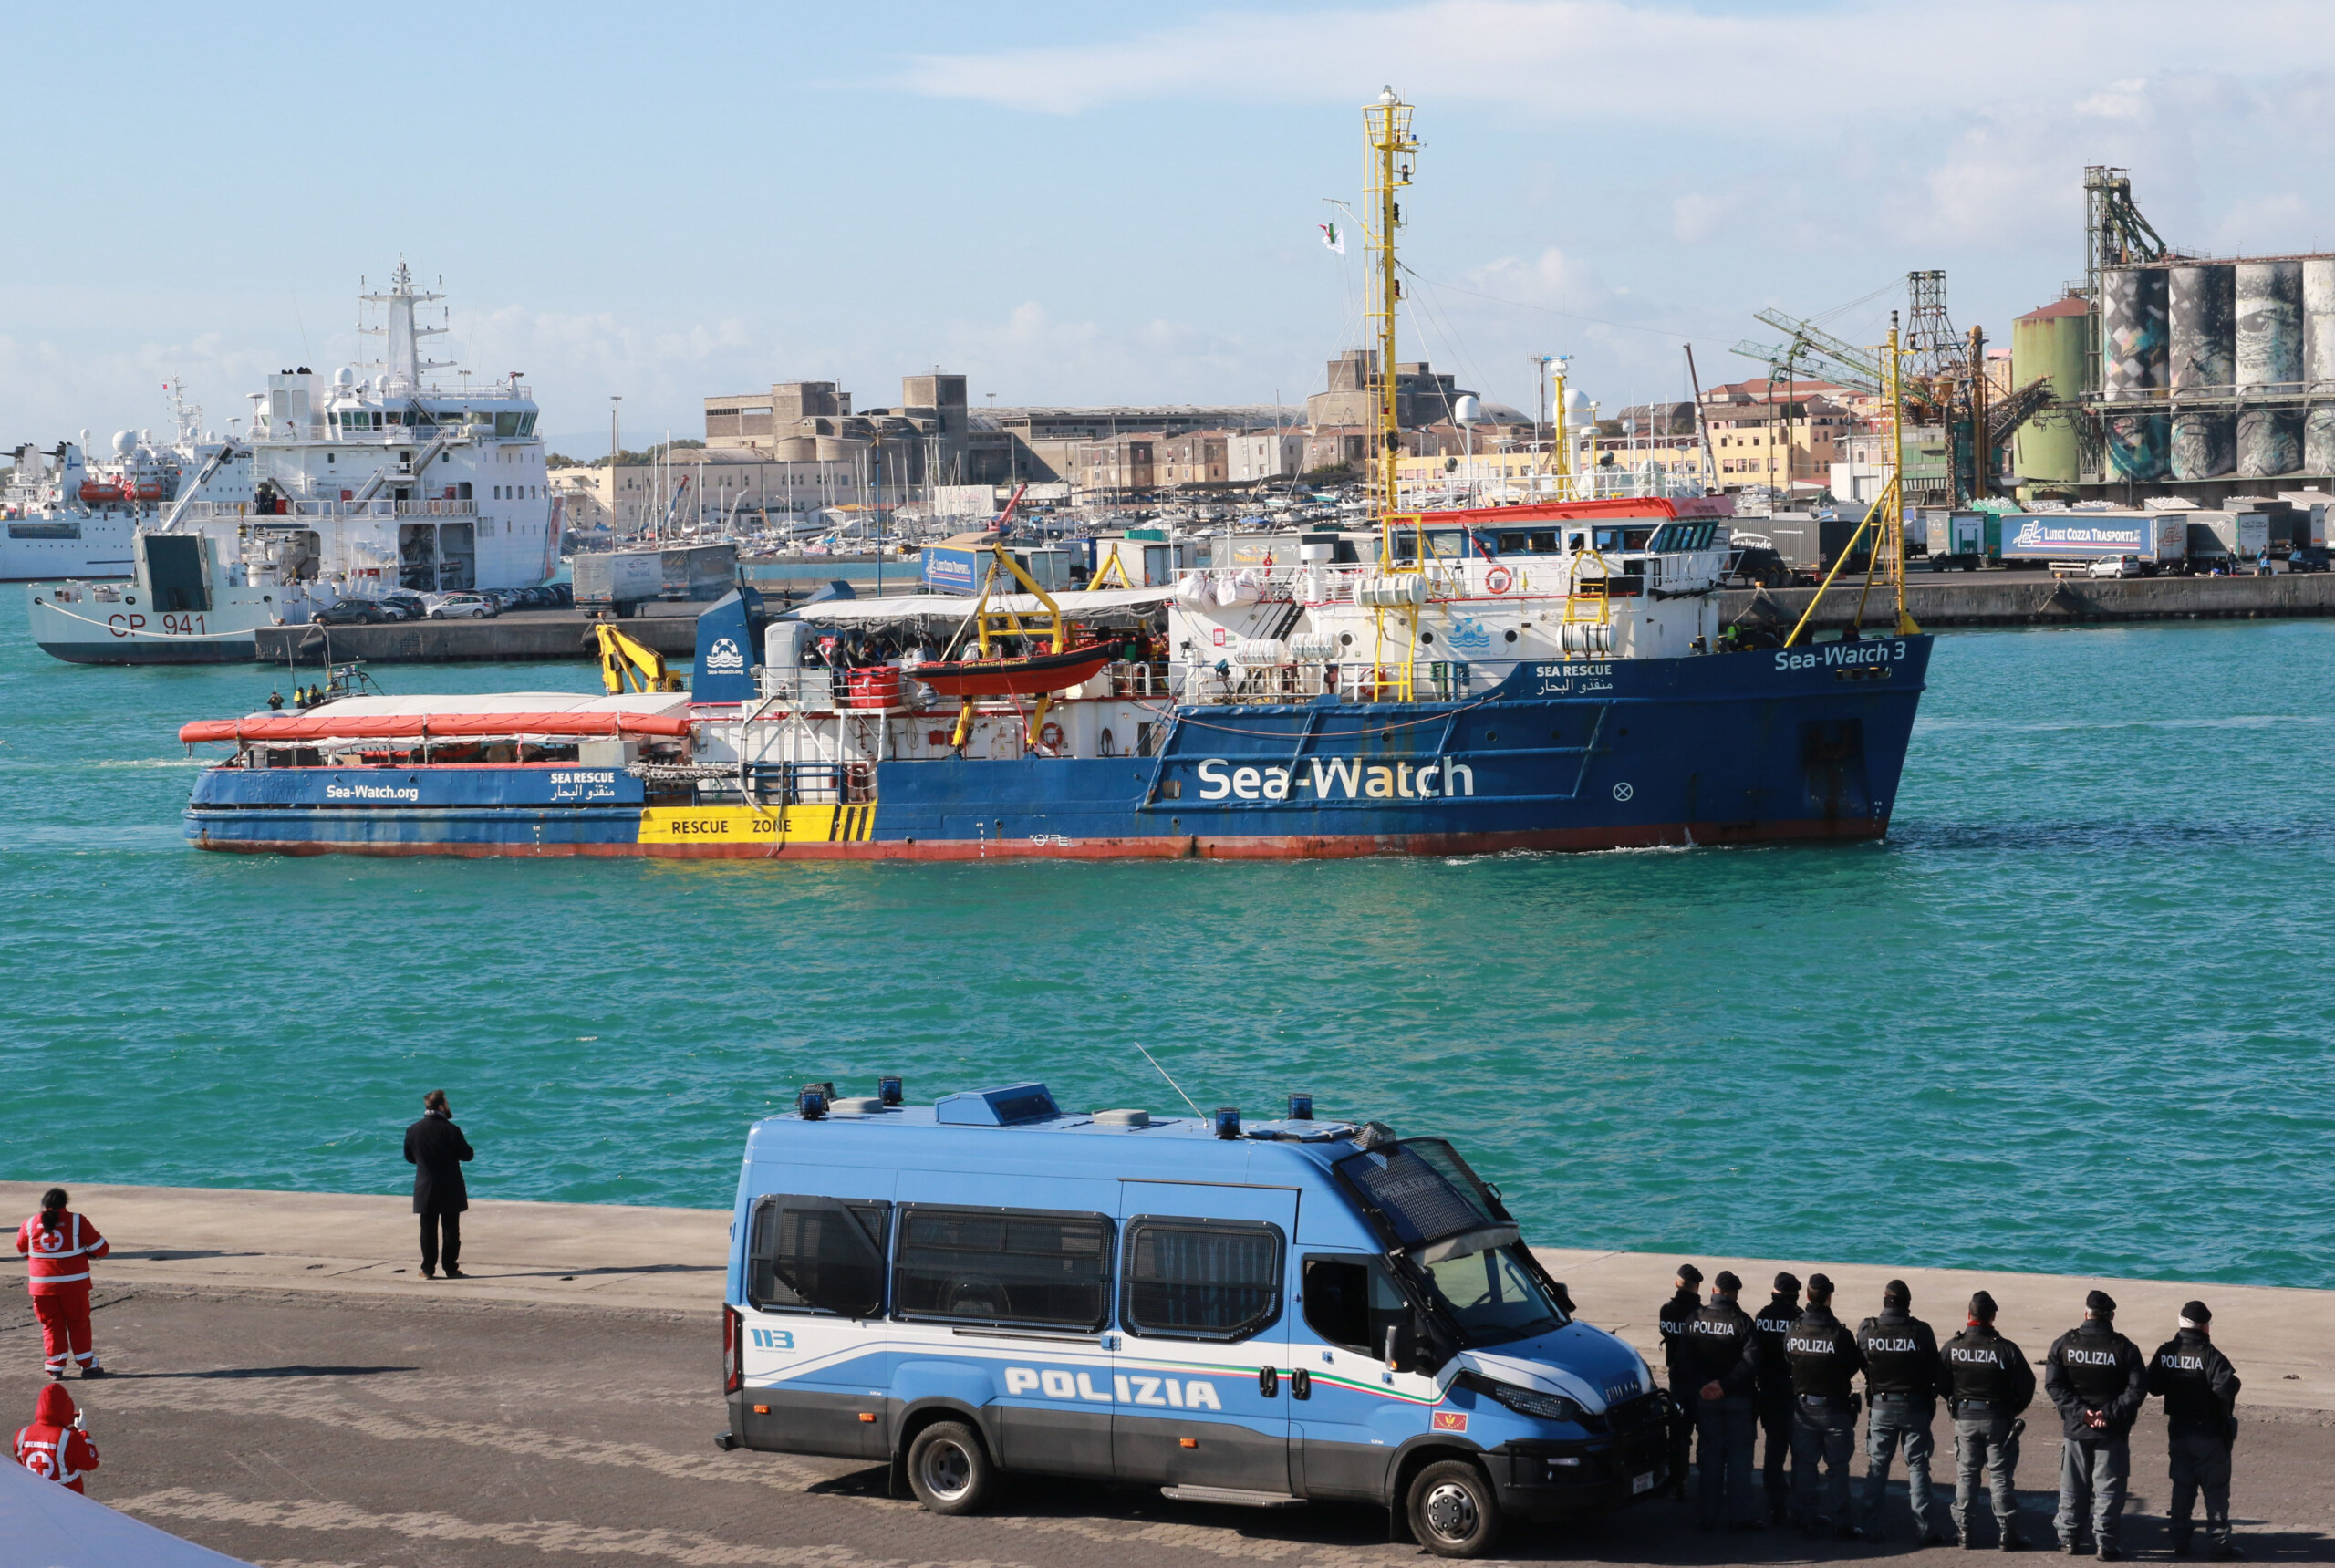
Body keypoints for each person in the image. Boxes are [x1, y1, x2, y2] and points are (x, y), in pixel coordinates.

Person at [2045, 1290, 2148, 1561]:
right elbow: (2137, 1390)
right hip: (2111, 1430)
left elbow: (2054, 1386)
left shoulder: (2064, 1344)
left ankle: (2069, 1539)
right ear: (2112, 1316)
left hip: (2076, 1428)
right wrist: (2108, 1414)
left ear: (2086, 1313)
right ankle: (2106, 1542)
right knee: (2109, 1490)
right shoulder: (2125, 1348)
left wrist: (2083, 1414)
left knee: (2072, 1487)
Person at [1941, 1289, 2036, 1551]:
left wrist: (1955, 1400)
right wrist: (2013, 1410)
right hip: (1998, 1418)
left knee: (1967, 1475)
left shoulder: (1954, 1346)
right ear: (1993, 1317)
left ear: (1968, 1315)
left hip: (1966, 1417)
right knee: (2000, 1477)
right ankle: (2007, 1533)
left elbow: (1940, 1379)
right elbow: (2027, 1384)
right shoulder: (2005, 1349)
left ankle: (1964, 1533)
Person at [2149, 1301, 2242, 1561]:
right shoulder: (2211, 1355)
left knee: (2182, 1487)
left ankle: (2179, 1541)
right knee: (2216, 1491)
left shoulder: (2166, 1351)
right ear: (2204, 1326)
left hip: (2178, 1431)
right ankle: (2219, 1544)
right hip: (2210, 1433)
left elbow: (2153, 1385)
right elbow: (2225, 1387)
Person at [1857, 1279, 1946, 1543]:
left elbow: (1863, 1362)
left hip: (1882, 1405)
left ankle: (1871, 1527)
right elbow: (1934, 1368)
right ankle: (1923, 1529)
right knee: (1918, 1467)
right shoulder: (1921, 1331)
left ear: (1885, 1302)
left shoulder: (1868, 1329)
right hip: (1914, 1406)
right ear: (1907, 1304)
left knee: (1878, 1466)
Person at [1783, 1272, 1866, 1539]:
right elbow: (1852, 1366)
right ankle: (1841, 1523)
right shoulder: (1839, 1335)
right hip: (1835, 1410)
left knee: (1804, 1466)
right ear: (1829, 1297)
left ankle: (1804, 1517)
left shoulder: (1794, 1329)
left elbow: (1789, 1359)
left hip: (1804, 1407)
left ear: (1807, 1296)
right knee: (1838, 1469)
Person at [1686, 1269, 1763, 1532]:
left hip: (1707, 1399)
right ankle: (1740, 1518)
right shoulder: (1742, 1322)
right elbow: (1751, 1363)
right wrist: (1726, 1384)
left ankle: (1707, 1516)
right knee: (1740, 1461)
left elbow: (1685, 1360)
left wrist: (1705, 1386)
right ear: (1734, 1294)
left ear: (1713, 1291)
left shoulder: (1695, 1319)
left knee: (1710, 1458)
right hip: (1738, 1399)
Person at [15, 1189, 109, 1378]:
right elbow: (102, 1249)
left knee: (51, 1325)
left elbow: (23, 1249)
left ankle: (55, 1366)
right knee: (79, 1323)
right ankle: (87, 1364)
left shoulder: (30, 1223)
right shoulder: (77, 1221)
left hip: (42, 1287)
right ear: (65, 1204)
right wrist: (86, 1253)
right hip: (74, 1286)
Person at [403, 1089, 475, 1280]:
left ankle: (427, 1269)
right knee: (451, 1229)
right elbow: (467, 1155)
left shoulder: (413, 1129)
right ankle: (450, 1268)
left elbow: (409, 1157)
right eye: (447, 1104)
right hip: (450, 1186)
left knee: (427, 1229)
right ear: (441, 1106)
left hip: (425, 1186)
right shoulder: (451, 1130)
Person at [1755, 1272, 1803, 1525]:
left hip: (1769, 1392)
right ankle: (1798, 1503)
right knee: (1799, 1451)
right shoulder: (1798, 1320)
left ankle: (1775, 1504)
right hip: (1794, 1394)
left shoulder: (1762, 1317)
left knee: (1774, 1449)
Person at [1657, 1263, 1705, 1501]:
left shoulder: (1666, 1310)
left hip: (1677, 1380)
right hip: (1700, 1381)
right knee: (1706, 1434)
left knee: (1679, 1435)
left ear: (1677, 1284)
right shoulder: (1701, 1315)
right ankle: (1709, 1483)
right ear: (1697, 1287)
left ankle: (1678, 1480)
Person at [13, 1383, 99, 1493]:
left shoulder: (21, 1434)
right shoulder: (70, 1437)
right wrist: (82, 1431)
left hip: (34, 1497)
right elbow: (91, 1462)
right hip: (68, 1500)